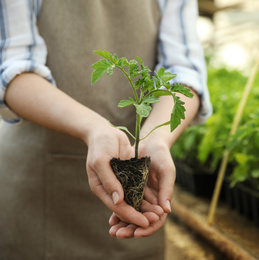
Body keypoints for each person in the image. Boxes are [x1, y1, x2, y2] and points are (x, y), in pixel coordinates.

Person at [0, 1, 212, 259]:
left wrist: (156, 139)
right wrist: (93, 128)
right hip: (36, 194)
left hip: (136, 186)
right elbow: (12, 69)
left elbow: (184, 71)